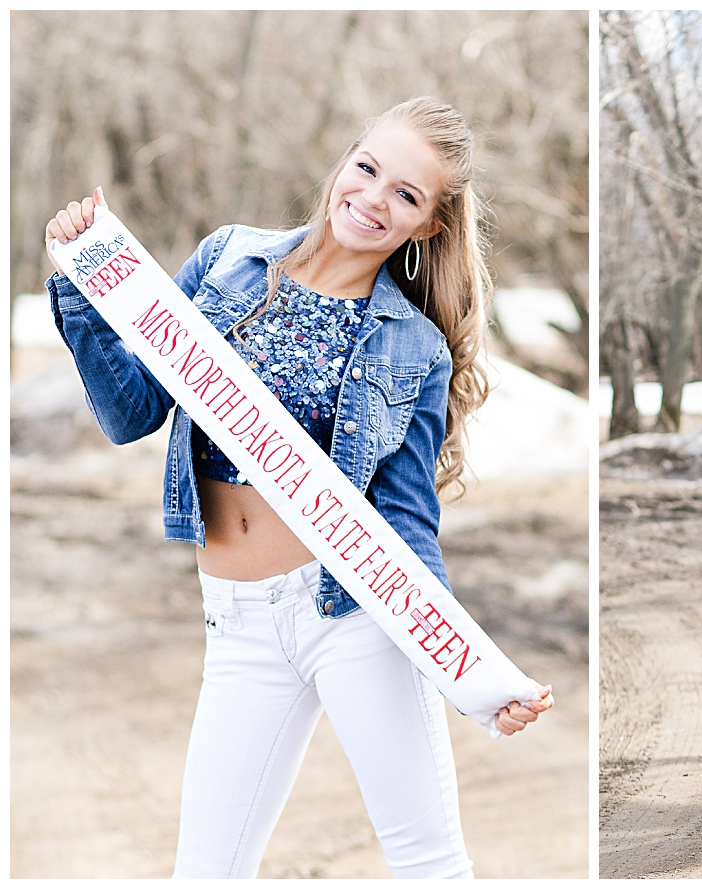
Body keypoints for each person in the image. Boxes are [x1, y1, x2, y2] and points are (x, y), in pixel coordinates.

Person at [44, 97, 554, 878]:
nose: (374, 198)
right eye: (369, 168)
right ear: (345, 160)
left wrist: (467, 670)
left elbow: (407, 525)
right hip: (237, 625)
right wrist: (85, 287)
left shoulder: (414, 348)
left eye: (406, 196)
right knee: (206, 871)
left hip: (351, 616)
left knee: (428, 860)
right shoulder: (227, 261)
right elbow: (131, 412)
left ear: (427, 228)